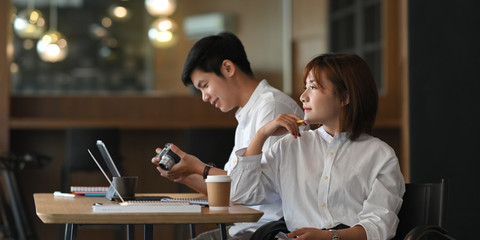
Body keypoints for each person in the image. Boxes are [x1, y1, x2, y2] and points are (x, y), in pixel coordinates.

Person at [229, 53, 405, 240]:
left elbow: (380, 226)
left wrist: (329, 237)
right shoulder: (290, 146)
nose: (303, 96)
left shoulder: (380, 155)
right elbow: (240, 194)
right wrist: (261, 134)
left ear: (345, 97)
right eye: (305, 87)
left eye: (313, 87)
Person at [151, 32, 304, 240]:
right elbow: (229, 190)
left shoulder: (273, 107)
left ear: (228, 68)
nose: (204, 97)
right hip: (245, 227)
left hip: (269, 230)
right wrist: (184, 175)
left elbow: (252, 191)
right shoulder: (248, 113)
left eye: (204, 86)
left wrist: (198, 167)